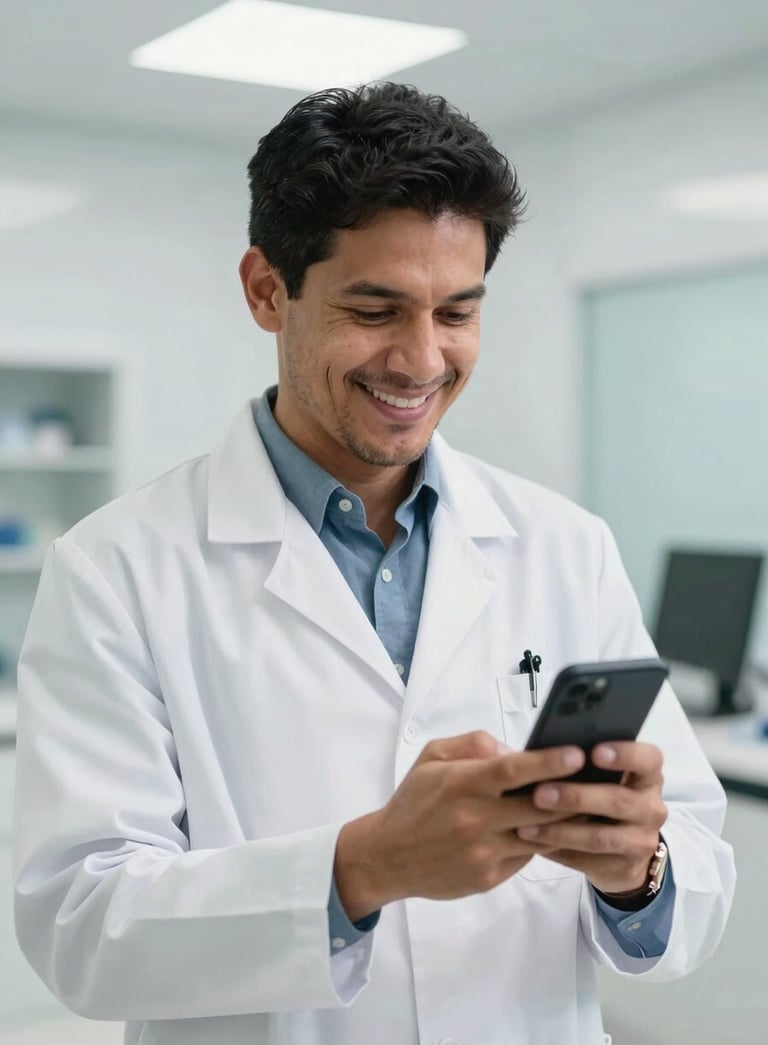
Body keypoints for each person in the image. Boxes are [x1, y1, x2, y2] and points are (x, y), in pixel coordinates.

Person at [13, 82, 734, 1045]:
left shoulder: (565, 544)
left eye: (458, 312)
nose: (422, 358)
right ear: (268, 290)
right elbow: (80, 926)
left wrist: (633, 868)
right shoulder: (118, 568)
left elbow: (691, 858)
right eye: (376, 308)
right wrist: (362, 867)